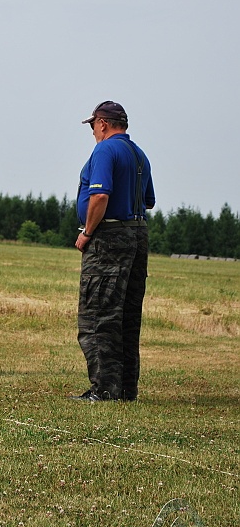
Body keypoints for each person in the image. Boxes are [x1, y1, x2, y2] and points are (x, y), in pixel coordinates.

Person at [73, 101, 155, 401]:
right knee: (127, 316)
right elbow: (149, 201)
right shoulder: (139, 154)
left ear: (103, 123)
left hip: (109, 237)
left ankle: (105, 389)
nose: (93, 131)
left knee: (99, 314)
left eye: (93, 125)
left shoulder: (105, 150)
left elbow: (100, 195)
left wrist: (87, 232)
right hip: (137, 234)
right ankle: (126, 388)